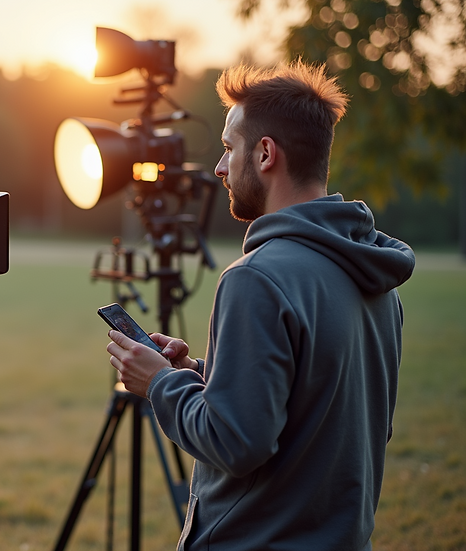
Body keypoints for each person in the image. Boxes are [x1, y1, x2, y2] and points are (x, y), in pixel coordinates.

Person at [107, 61, 415, 550]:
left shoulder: (256, 278)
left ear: (266, 154)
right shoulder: (376, 274)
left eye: (230, 148)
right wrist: (205, 375)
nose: (219, 168)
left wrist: (160, 383)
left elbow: (236, 442)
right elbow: (326, 408)